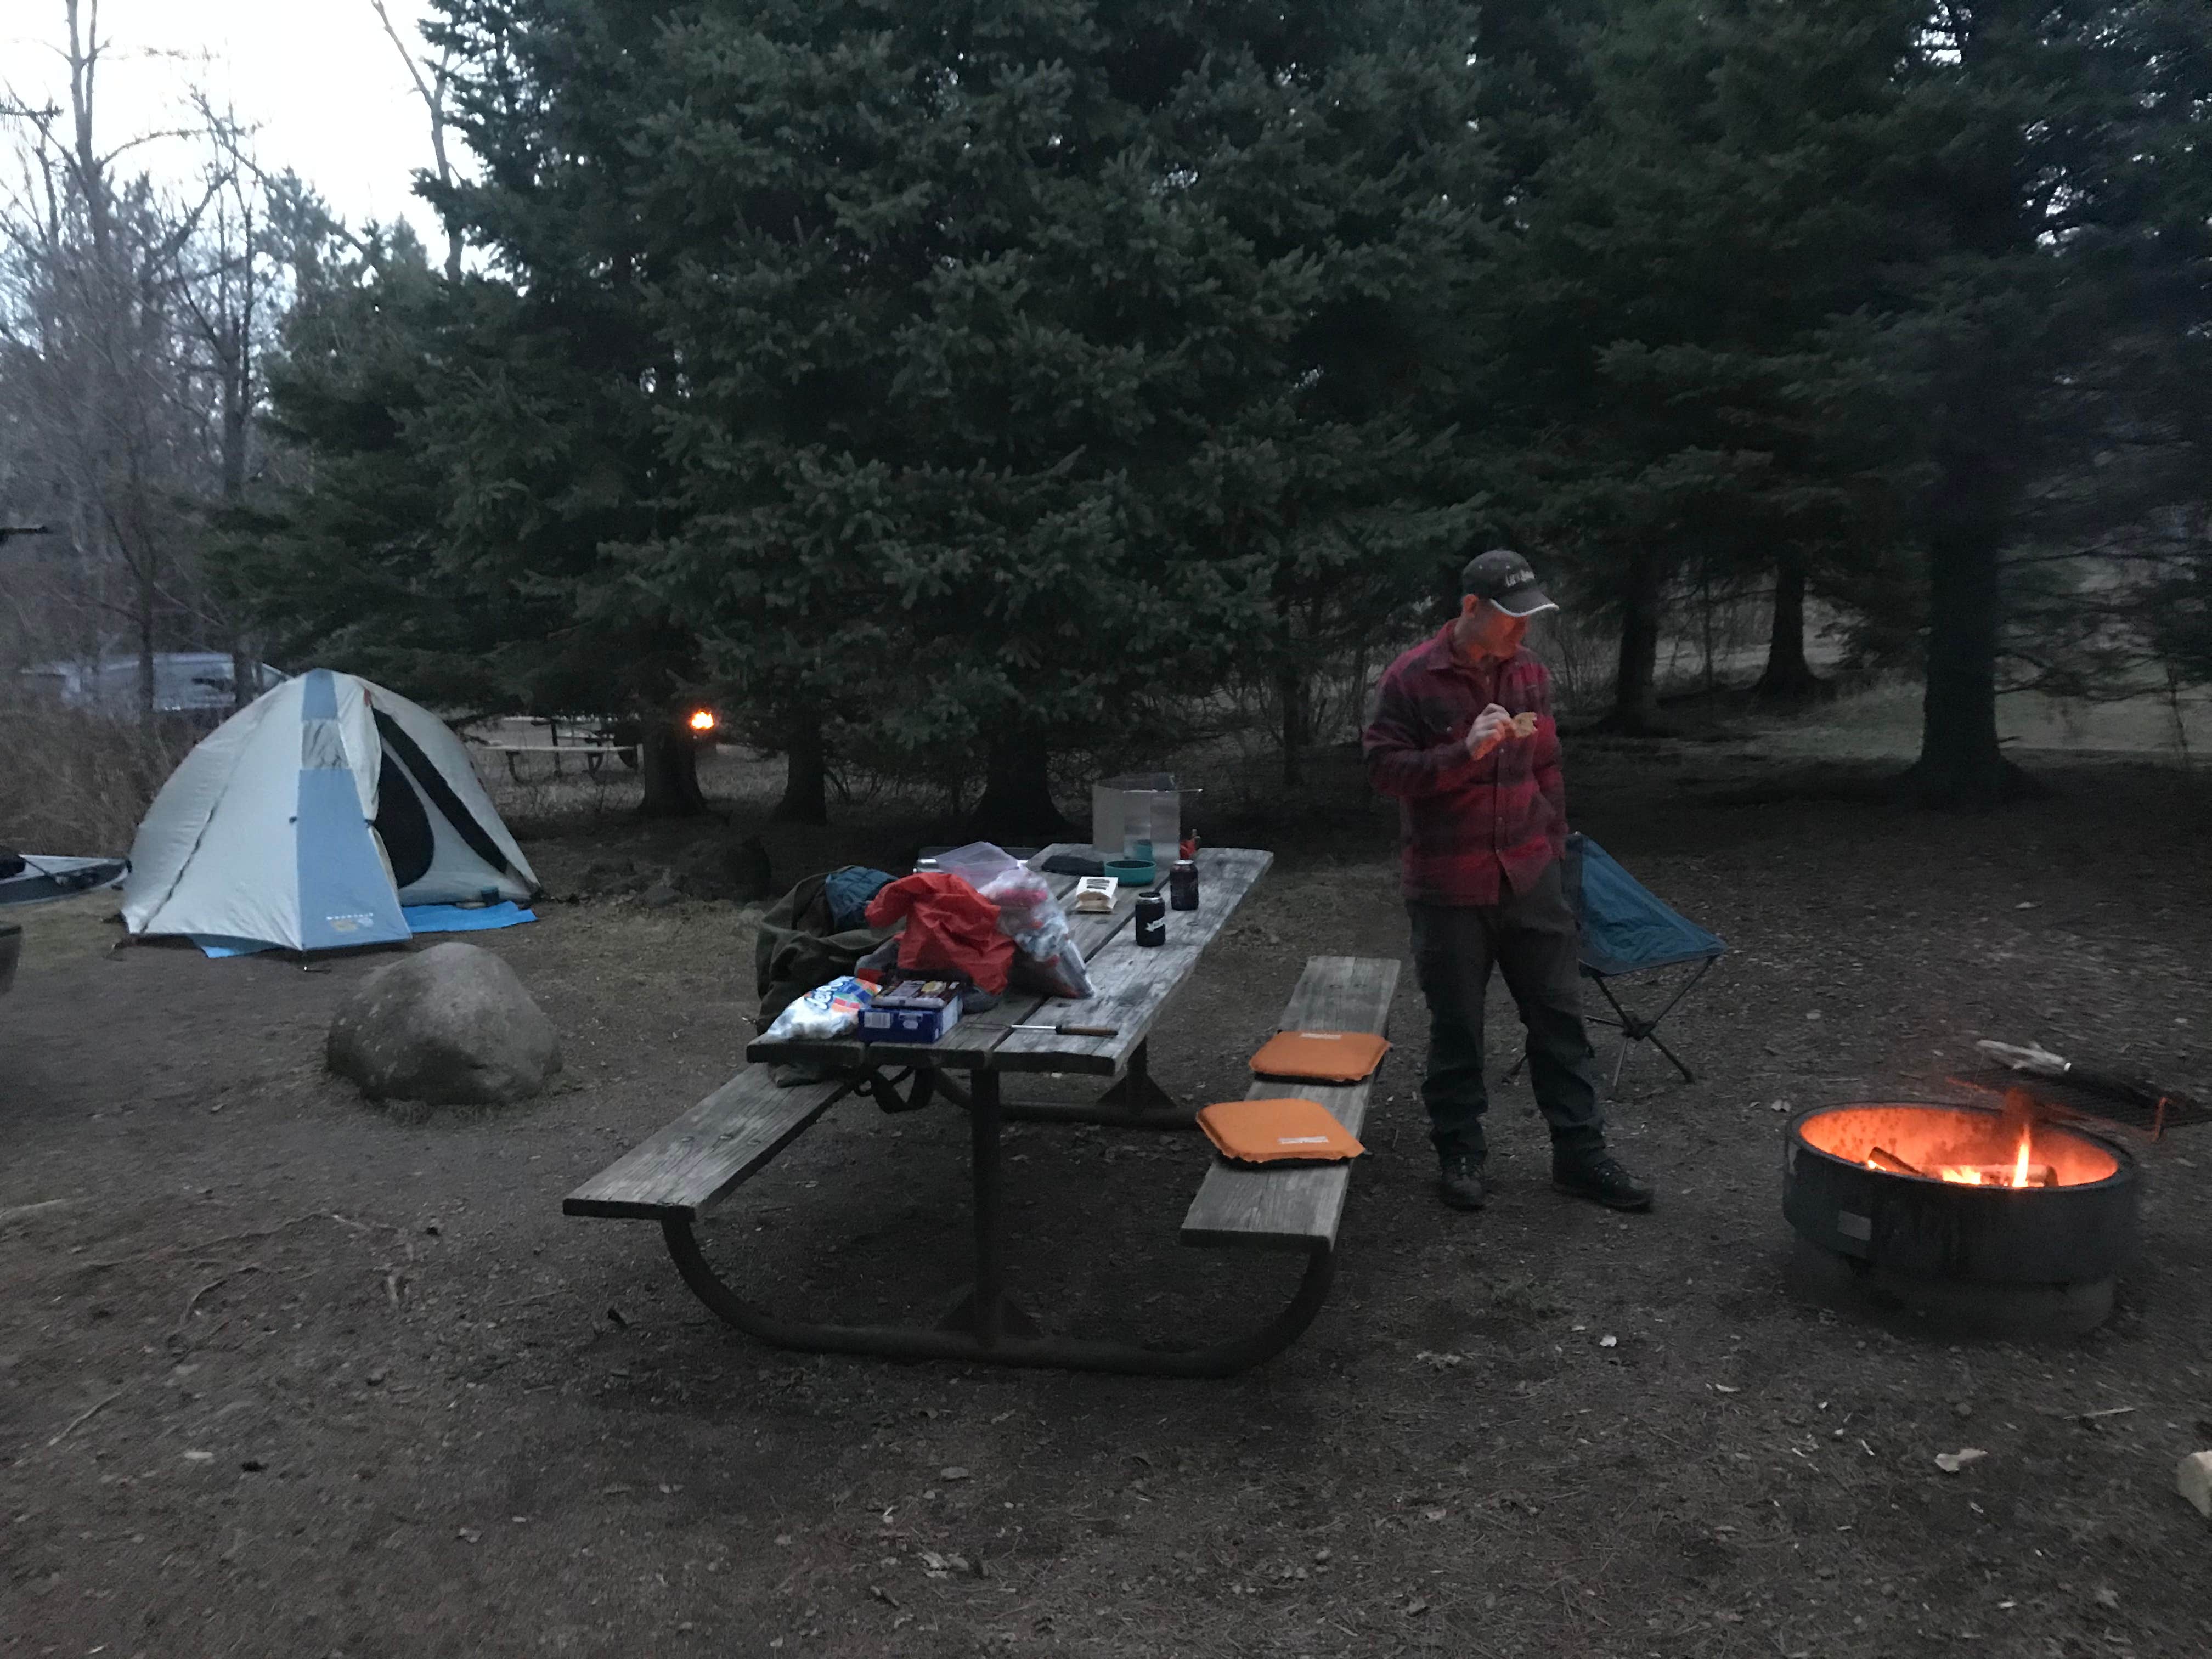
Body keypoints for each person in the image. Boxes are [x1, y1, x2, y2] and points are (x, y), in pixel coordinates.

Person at [1361, 549, 1654, 1214]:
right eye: (1513, 618)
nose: (1524, 632)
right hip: (1448, 887)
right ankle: (1460, 1152)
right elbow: (1384, 772)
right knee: (1458, 1027)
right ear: (1472, 610)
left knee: (1560, 1021)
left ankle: (1580, 1156)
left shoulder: (1529, 675)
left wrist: (1554, 846)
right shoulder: (1412, 678)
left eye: (1532, 618)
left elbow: (1547, 766)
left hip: (1530, 878)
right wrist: (1463, 754)